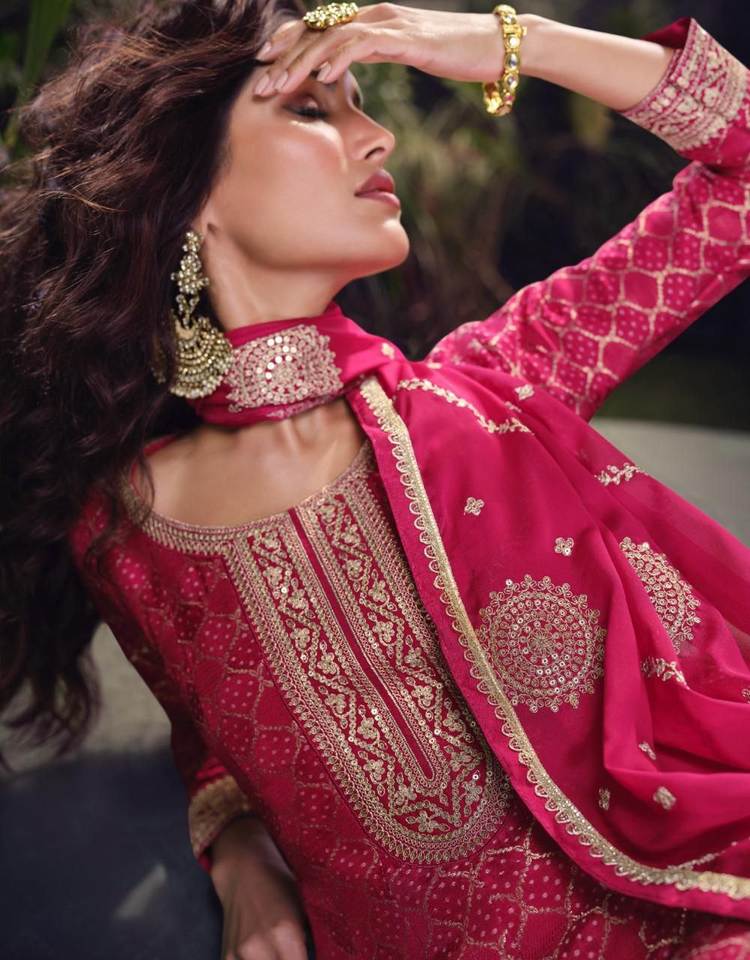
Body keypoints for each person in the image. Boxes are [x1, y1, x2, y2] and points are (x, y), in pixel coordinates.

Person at [1, 0, 749, 957]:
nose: (378, 134)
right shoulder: (127, 530)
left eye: (362, 101)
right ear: (188, 194)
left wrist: (507, 42)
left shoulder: (497, 384)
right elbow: (212, 734)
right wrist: (242, 863)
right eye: (313, 109)